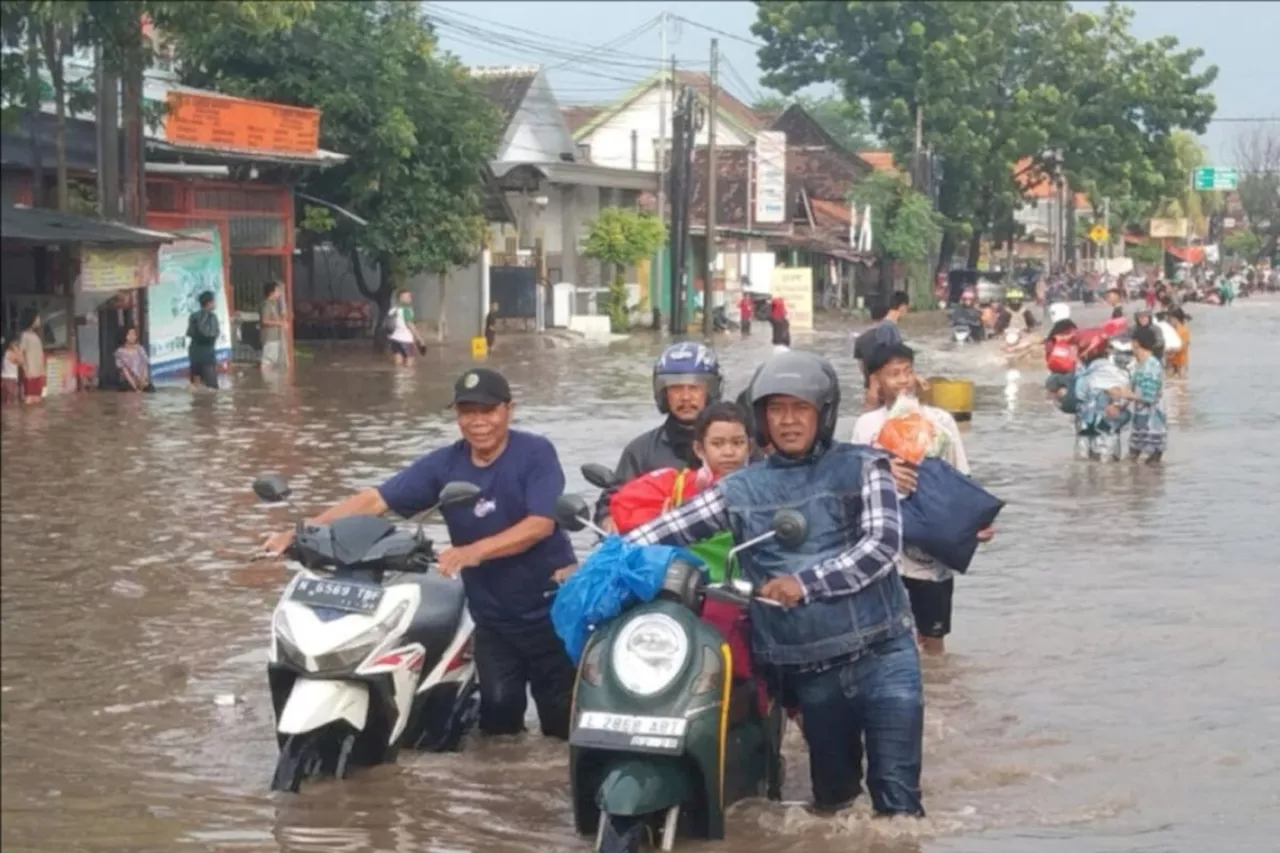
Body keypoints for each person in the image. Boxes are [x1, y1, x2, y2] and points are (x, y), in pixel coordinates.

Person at [624, 349, 925, 818]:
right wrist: (603, 560)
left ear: (823, 413)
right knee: (835, 800)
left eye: (800, 408)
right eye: (776, 409)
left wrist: (805, 583)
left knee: (897, 799)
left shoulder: (868, 466)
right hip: (811, 668)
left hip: (883, 652)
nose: (787, 421)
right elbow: (663, 530)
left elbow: (880, 548)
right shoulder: (740, 488)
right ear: (762, 419)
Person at [264, 367, 577, 739]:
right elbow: (375, 500)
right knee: (500, 728)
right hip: (492, 618)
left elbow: (540, 523)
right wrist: (301, 532)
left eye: (488, 411)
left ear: (509, 409)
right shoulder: (445, 464)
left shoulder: (536, 453)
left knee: (562, 727)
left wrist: (474, 551)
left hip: (550, 611)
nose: (478, 422)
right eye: (467, 412)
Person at [852, 344, 991, 655]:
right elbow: (853, 484)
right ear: (876, 380)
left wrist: (976, 525)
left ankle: (938, 697)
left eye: (907, 372)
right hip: (885, 551)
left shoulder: (941, 421)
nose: (903, 380)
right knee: (888, 639)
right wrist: (883, 471)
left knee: (934, 643)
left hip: (932, 555)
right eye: (893, 374)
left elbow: (961, 478)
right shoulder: (867, 426)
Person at [596, 342, 723, 525]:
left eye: (694, 387)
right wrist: (609, 521)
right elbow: (611, 503)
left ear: (710, 390)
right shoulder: (640, 450)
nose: (686, 397)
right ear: (664, 394)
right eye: (676, 388)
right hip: (656, 548)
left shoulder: (737, 443)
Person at [1110, 325, 1167, 464]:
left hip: (1153, 425)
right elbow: (1132, 388)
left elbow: (1150, 396)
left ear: (1136, 343)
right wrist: (1120, 396)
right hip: (1141, 422)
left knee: (1150, 467)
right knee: (1132, 462)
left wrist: (1125, 394)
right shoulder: (1140, 364)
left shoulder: (1151, 367)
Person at [1073, 334, 1130, 461]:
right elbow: (1126, 396)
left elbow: (1078, 395)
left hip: (1086, 427)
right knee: (1109, 468)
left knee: (1084, 466)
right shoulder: (1118, 372)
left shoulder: (1084, 373)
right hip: (1108, 427)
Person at [186, 291, 220, 389]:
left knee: (196, 387)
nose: (215, 303)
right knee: (212, 388)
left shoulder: (193, 316)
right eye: (214, 301)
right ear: (209, 303)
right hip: (207, 355)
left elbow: (190, 333)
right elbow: (213, 334)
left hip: (194, 353)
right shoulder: (212, 317)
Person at [386, 288, 425, 366]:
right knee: (409, 364)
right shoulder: (406, 309)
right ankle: (407, 378)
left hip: (394, 339)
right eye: (407, 297)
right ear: (401, 298)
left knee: (398, 364)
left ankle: (398, 378)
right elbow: (410, 324)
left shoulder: (393, 309)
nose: (409, 298)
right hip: (406, 340)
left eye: (409, 296)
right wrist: (419, 338)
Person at [18, 309, 47, 403]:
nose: (39, 320)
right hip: (30, 374)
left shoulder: (36, 335)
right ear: (32, 320)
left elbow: (39, 354)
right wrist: (26, 370)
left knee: (38, 402)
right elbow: (20, 354)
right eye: (37, 318)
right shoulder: (24, 335)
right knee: (30, 401)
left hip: (38, 373)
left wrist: (43, 371)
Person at [114, 326, 155, 392]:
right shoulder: (120, 352)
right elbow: (125, 371)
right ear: (124, 336)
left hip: (141, 380)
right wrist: (135, 388)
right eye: (130, 334)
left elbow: (144, 366)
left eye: (134, 334)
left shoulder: (140, 349)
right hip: (128, 382)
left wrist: (142, 383)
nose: (132, 337)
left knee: (150, 389)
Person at [259, 281, 286, 370]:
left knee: (273, 363)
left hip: (275, 338)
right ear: (271, 293)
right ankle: (266, 381)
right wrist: (280, 323)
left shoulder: (274, 304)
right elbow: (264, 320)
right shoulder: (266, 305)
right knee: (267, 363)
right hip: (269, 338)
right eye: (277, 291)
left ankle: (270, 382)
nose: (279, 293)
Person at [1165, 308, 1191, 378]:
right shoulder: (1169, 329)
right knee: (1169, 382)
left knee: (1181, 383)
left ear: (1176, 318)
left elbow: (1184, 346)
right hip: (1170, 361)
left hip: (1181, 361)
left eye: (1171, 318)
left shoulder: (1184, 330)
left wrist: (1171, 351)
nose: (1170, 320)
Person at [2, 337, 22, 405]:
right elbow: (20, 361)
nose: (17, 346)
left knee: (7, 399)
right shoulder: (11, 354)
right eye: (16, 345)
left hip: (6, 377)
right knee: (12, 399)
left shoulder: (7, 352)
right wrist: (18, 352)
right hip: (10, 378)